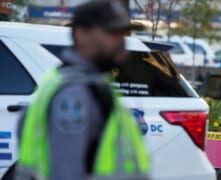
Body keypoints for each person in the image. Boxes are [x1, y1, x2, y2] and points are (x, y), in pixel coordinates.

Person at [15, 1, 150, 180]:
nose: (122, 42)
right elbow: (66, 173)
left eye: (123, 34)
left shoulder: (92, 84)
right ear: (81, 35)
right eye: (112, 33)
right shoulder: (74, 93)